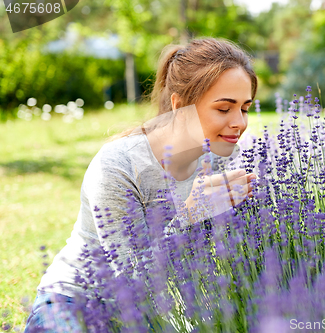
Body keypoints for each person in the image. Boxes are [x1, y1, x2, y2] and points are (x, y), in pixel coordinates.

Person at [24, 37, 258, 332]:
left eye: (245, 108)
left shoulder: (219, 159)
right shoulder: (119, 165)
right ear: (180, 105)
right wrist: (189, 212)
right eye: (224, 109)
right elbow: (131, 283)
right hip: (77, 301)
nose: (239, 122)